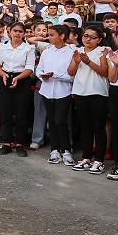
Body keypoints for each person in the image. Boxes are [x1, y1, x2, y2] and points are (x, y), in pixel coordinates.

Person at [68, 25, 113, 174]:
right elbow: (71, 72)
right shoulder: (78, 51)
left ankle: (99, 160)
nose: (87, 39)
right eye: (85, 36)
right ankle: (86, 158)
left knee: (98, 127)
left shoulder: (103, 51)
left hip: (98, 93)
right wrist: (76, 61)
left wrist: (88, 62)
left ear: (99, 39)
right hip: (81, 93)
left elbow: (104, 72)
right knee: (85, 127)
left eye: (92, 37)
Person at [35, 24, 76, 166]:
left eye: (52, 35)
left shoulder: (72, 51)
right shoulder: (47, 51)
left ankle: (66, 150)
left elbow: (72, 75)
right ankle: (54, 150)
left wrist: (55, 76)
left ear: (62, 35)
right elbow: (39, 69)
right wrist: (42, 76)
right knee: (51, 120)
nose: (49, 37)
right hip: (46, 91)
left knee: (61, 121)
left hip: (63, 91)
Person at [0, 22, 35, 157]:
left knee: (21, 113)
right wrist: (3, 75)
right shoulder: (2, 48)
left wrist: (17, 78)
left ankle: (19, 143)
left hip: (22, 79)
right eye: (15, 31)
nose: (17, 34)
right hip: (5, 78)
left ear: (24, 33)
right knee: (5, 111)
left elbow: (29, 68)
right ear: (9, 32)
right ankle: (6, 142)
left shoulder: (29, 49)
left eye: (20, 31)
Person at [106, 26, 118, 180]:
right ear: (116, 38)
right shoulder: (114, 55)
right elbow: (112, 79)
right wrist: (116, 64)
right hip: (116, 92)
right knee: (117, 129)